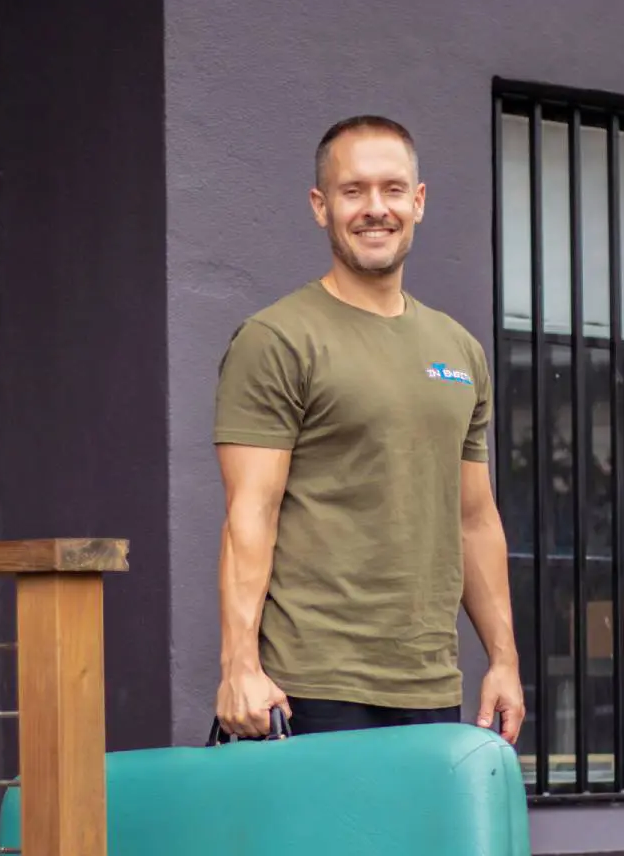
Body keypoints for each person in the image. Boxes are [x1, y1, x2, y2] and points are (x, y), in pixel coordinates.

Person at [211, 113, 525, 754]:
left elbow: (474, 518)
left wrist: (503, 660)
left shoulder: (459, 349)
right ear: (320, 207)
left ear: (419, 201)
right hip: (310, 684)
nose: (374, 208)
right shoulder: (277, 340)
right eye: (353, 191)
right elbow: (251, 514)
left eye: (391, 189)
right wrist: (238, 665)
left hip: (430, 684)